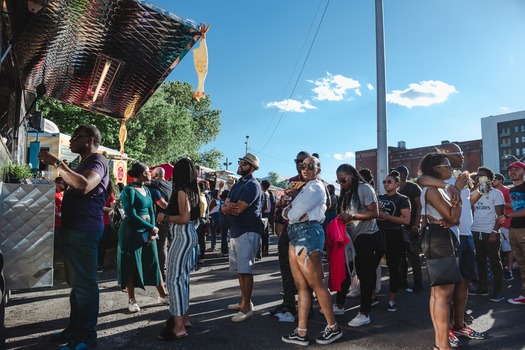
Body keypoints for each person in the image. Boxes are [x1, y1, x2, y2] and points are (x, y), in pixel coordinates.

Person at [39, 125, 109, 349]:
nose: (70, 141)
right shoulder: (84, 161)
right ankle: (75, 329)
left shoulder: (98, 160)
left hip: (84, 230)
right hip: (75, 229)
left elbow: (85, 185)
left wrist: (58, 163)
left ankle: (87, 336)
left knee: (85, 285)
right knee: (77, 285)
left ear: (88, 140)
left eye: (75, 137)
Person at [418, 142, 486, 348]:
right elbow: (422, 179)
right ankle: (442, 340)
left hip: (459, 235)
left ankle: (455, 328)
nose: (462, 157)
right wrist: (452, 188)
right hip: (443, 237)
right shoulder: (436, 183)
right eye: (455, 156)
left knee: (455, 286)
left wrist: (475, 190)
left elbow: (456, 212)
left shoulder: (458, 180)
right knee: (441, 293)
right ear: (440, 163)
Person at [281, 156, 342, 346]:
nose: (305, 169)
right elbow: (290, 213)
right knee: (301, 286)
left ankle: (333, 328)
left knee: (317, 284)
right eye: (302, 166)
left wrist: (290, 211)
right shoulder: (306, 187)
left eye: (310, 166)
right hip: (297, 234)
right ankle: (301, 332)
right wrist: (290, 211)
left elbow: (292, 213)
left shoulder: (315, 186)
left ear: (318, 169)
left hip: (308, 235)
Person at [418, 152, 461, 350]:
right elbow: (454, 219)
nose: (450, 168)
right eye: (447, 165)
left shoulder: (434, 188)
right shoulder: (433, 190)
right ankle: (443, 346)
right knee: (443, 296)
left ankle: (440, 343)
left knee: (437, 295)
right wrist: (458, 192)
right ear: (436, 169)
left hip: (436, 238)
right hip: (441, 240)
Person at [156, 158, 200, 340]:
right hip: (187, 235)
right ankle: (184, 319)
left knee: (174, 280)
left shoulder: (182, 191)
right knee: (182, 279)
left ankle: (179, 326)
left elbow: (184, 218)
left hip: (182, 236)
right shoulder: (192, 190)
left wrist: (164, 218)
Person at [117, 162, 168, 313]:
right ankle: (131, 300)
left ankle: (163, 295)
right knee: (131, 265)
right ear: (141, 173)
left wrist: (152, 229)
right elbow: (131, 214)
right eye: (148, 171)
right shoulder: (128, 190)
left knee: (154, 261)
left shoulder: (146, 189)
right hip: (131, 232)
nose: (150, 173)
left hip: (148, 231)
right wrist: (151, 227)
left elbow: (151, 210)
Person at [336, 164, 382, 328]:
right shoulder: (346, 192)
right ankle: (339, 305)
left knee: (365, 274)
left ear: (352, 175)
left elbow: (374, 212)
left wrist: (353, 215)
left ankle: (364, 313)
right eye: (338, 181)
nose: (340, 183)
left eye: (343, 179)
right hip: (351, 238)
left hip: (367, 236)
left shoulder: (364, 188)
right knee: (347, 271)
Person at [221, 153, 263, 322]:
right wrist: (227, 207)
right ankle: (245, 302)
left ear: (252, 168)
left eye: (244, 163)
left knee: (245, 270)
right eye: (240, 162)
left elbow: (237, 209)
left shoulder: (253, 185)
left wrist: (228, 207)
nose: (240, 165)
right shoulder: (239, 183)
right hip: (236, 230)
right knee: (240, 270)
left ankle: (246, 308)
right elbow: (226, 206)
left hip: (248, 230)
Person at [270, 151, 310, 322]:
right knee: (286, 268)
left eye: (303, 161)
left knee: (305, 271)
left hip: (305, 232)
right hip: (288, 229)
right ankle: (289, 303)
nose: (299, 164)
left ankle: (306, 307)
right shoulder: (292, 180)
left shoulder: (314, 182)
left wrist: (297, 196)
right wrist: (278, 225)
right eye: (297, 161)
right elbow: (281, 204)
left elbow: (327, 204)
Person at [468, 166, 505, 302]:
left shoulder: (496, 193)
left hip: (491, 232)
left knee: (495, 261)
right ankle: (482, 288)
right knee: (480, 261)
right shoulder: (473, 193)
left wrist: (494, 232)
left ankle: (498, 291)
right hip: (476, 231)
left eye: (483, 176)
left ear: (490, 179)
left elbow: (500, 216)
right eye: (478, 176)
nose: (479, 178)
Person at [377, 170, 411, 312]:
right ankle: (371, 296)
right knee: (372, 265)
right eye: (384, 182)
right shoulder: (379, 197)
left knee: (393, 268)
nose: (385, 184)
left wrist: (385, 216)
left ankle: (392, 299)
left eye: (389, 182)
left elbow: (406, 220)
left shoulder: (402, 199)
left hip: (394, 235)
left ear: (397, 184)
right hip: (378, 234)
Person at [498, 161, 525, 305]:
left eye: (517, 169)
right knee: (521, 264)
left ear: (523, 172)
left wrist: (507, 216)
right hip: (514, 229)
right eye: (511, 170)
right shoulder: (512, 190)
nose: (513, 172)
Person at [393, 165, 423, 293]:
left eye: (398, 173)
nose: (396, 175)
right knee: (400, 257)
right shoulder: (395, 188)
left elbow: (419, 206)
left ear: (404, 174)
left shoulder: (413, 187)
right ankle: (402, 283)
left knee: (414, 256)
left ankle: (418, 284)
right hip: (398, 227)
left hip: (411, 227)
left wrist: (416, 224)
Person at [148, 167, 173, 279]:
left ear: (156, 174)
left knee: (162, 246)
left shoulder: (156, 183)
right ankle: (172, 270)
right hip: (173, 219)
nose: (150, 175)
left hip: (162, 219)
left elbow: (143, 181)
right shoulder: (170, 185)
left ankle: (162, 273)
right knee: (171, 245)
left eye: (152, 173)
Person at [492, 173, 515, 280]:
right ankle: (498, 271)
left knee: (508, 249)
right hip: (492, 224)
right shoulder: (489, 191)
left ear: (500, 180)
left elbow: (513, 205)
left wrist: (500, 201)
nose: (492, 181)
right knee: (496, 250)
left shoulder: (507, 191)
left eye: (494, 179)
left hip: (505, 224)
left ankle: (509, 270)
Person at [97, 180, 116, 273]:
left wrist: (103, 208)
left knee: (101, 245)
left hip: (105, 223)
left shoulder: (110, 195)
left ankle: (100, 265)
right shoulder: (97, 193)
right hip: (95, 222)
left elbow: (113, 209)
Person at [260, 180, 273, 257]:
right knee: (265, 232)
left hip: (264, 214)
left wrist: (260, 211)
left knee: (263, 233)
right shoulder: (268, 193)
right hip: (267, 214)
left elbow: (265, 206)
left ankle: (264, 249)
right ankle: (265, 249)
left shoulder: (264, 193)